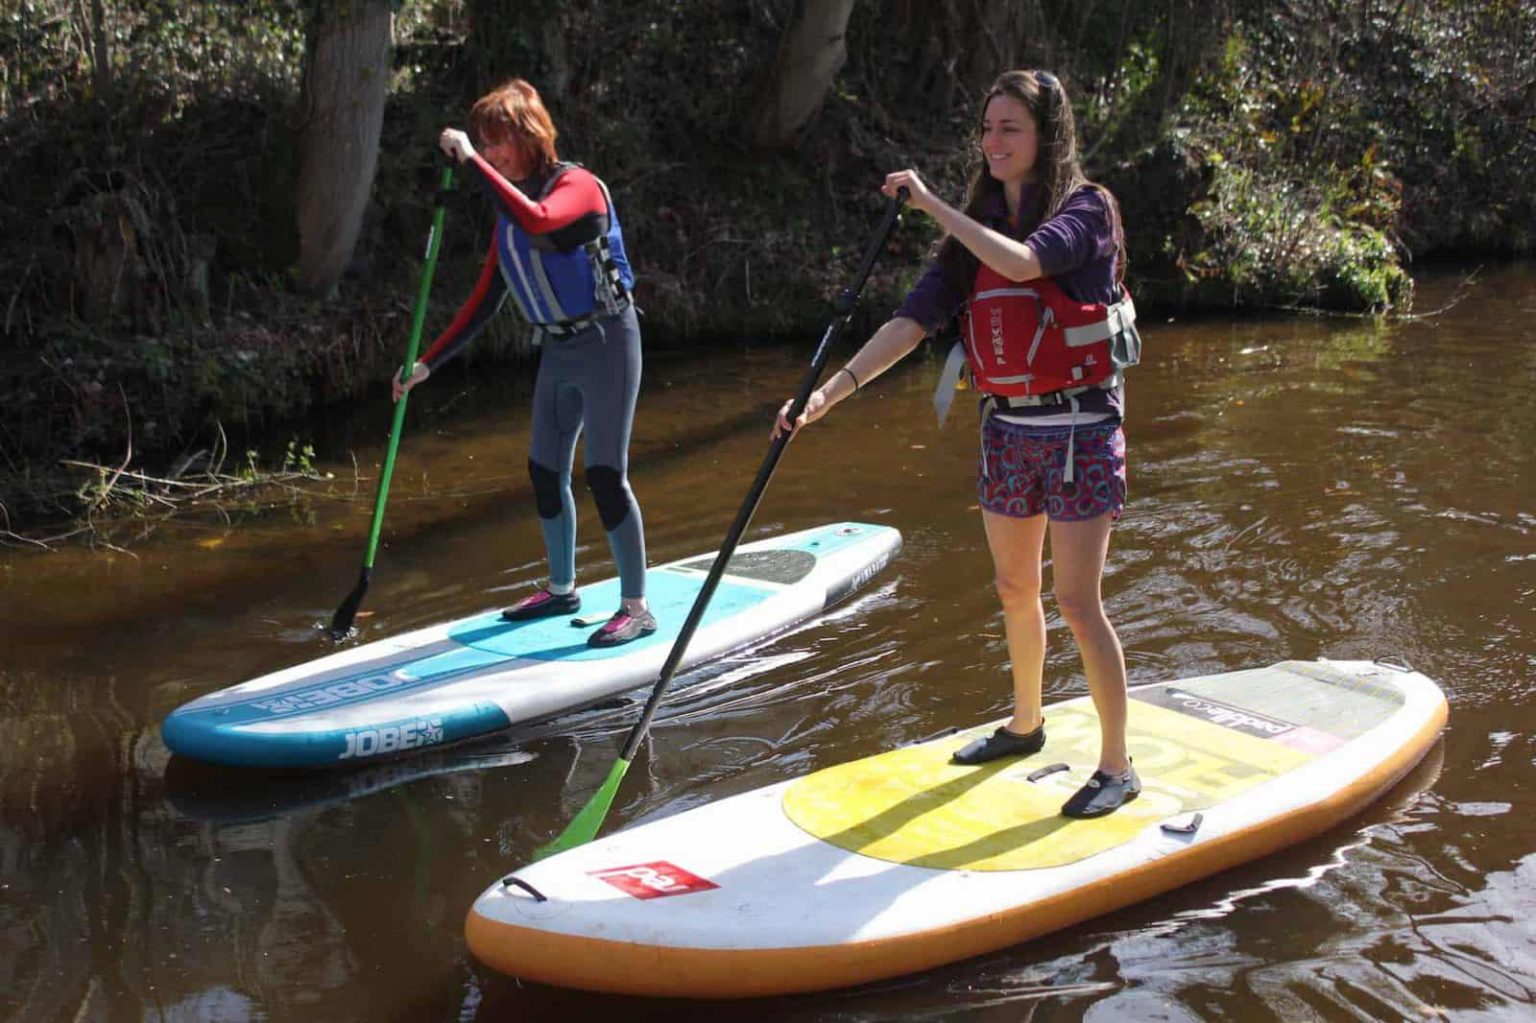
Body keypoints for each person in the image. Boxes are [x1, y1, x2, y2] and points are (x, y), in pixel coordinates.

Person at [774, 69, 1142, 817]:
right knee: (1013, 589)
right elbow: (910, 325)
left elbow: (1025, 262)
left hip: (1080, 429)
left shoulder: (1087, 210)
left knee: (1076, 599)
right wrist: (824, 396)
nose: (994, 141)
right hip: (1008, 431)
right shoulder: (973, 229)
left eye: (1011, 127)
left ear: (1047, 136)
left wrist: (934, 206)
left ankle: (1116, 763)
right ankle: (1025, 724)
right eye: (987, 127)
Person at [393, 79, 655, 648]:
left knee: (605, 474)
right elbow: (486, 298)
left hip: (608, 341)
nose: (489, 155)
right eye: (483, 146)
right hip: (559, 351)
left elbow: (543, 219)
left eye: (497, 143)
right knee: (544, 471)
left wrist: (470, 163)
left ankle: (636, 607)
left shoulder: (578, 187)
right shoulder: (507, 215)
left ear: (529, 135)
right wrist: (427, 365)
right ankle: (562, 590)